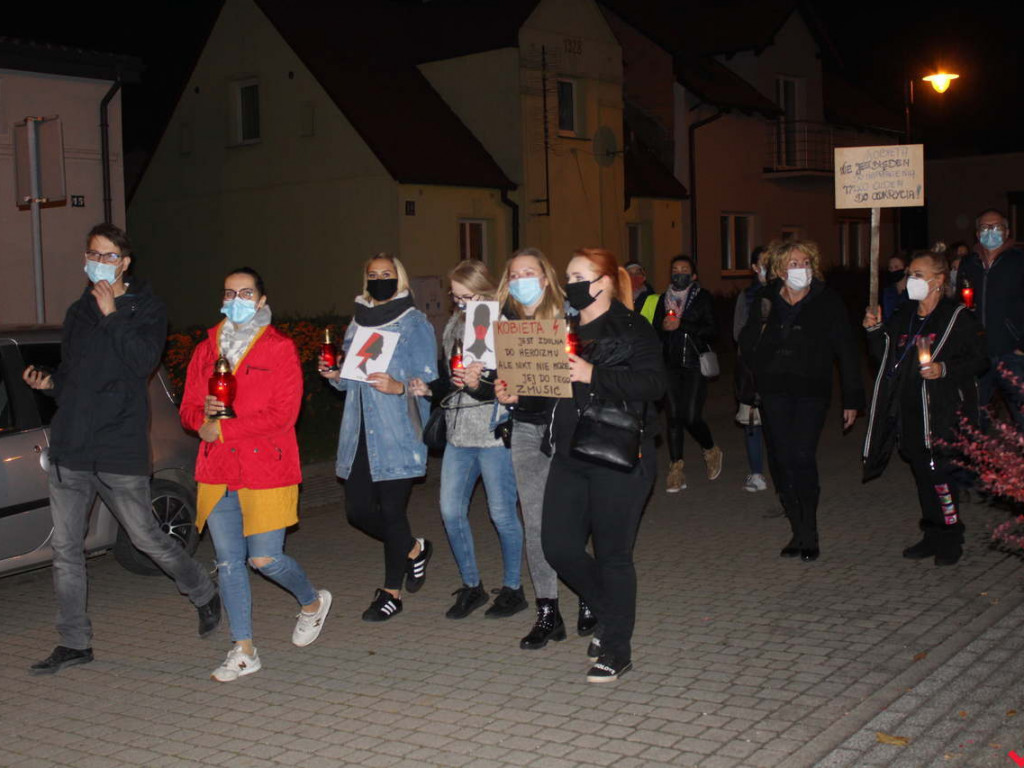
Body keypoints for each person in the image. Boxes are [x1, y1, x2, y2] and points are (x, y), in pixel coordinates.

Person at [22, 223, 220, 676]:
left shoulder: (147, 308)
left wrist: (113, 314)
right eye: (94, 254)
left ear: (125, 262)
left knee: (147, 536)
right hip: (72, 446)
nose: (100, 263)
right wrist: (50, 383)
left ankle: (202, 591)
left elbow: (141, 363)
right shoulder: (78, 312)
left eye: (109, 256)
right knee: (67, 550)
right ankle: (74, 642)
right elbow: (74, 376)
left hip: (118, 445)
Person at [181, 267, 332, 682]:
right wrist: (201, 422)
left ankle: (312, 602)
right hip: (218, 468)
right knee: (229, 562)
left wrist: (224, 426)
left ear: (262, 301)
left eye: (246, 293)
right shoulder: (205, 349)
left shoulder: (279, 349)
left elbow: (283, 414)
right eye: (230, 293)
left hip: (267, 466)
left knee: (265, 558)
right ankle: (244, 648)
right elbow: (189, 407)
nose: (237, 300)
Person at [541, 248, 666, 682]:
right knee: (558, 546)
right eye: (567, 274)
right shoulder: (561, 327)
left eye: (579, 274)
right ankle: (612, 614)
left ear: (606, 281)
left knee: (613, 556)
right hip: (570, 453)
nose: (569, 282)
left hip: (617, 453)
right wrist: (513, 392)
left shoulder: (632, 327)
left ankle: (617, 649)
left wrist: (593, 374)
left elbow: (654, 382)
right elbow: (548, 384)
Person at [319, 254, 437, 621]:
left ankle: (391, 593)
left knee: (391, 511)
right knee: (357, 512)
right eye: (373, 275)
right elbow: (353, 378)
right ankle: (414, 550)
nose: (380, 279)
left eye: (387, 274)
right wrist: (335, 376)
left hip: (397, 432)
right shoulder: (358, 322)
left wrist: (399, 386)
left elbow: (429, 383)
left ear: (399, 279)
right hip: (359, 434)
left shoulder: (415, 323)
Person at [408, 260, 526, 620]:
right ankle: (471, 585)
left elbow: (510, 387)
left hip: (493, 433)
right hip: (459, 432)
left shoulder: (506, 325)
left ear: (486, 291)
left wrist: (480, 381)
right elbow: (453, 378)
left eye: (467, 297)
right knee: (450, 511)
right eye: (456, 298)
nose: (460, 304)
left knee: (502, 514)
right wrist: (431, 388)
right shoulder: (456, 326)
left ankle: (513, 588)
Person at [494, 248, 596, 649]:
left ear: (546, 277)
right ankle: (548, 611)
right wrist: (502, 390)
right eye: (514, 273)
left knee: (572, 519)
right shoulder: (505, 322)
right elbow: (500, 380)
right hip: (525, 430)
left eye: (529, 272)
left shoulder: (572, 315)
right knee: (534, 523)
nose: (521, 279)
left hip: (567, 429)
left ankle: (589, 596)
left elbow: (588, 377)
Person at [739, 239, 864, 562]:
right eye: (793, 263)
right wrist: (760, 328)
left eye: (806, 262)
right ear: (780, 270)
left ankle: (810, 532)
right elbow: (748, 348)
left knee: (801, 456)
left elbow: (846, 350)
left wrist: (852, 397)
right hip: (774, 390)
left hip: (811, 390)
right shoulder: (766, 299)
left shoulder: (827, 300)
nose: (801, 269)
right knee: (780, 459)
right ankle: (796, 527)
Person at [862, 253, 987, 566]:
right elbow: (885, 357)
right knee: (922, 476)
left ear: (939, 279)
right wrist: (874, 331)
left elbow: (980, 360)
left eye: (918, 273)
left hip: (943, 412)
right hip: (910, 410)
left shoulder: (957, 317)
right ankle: (931, 534)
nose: (912, 279)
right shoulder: (904, 314)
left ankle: (950, 536)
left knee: (941, 477)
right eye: (909, 273)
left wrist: (943, 369)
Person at [651, 254, 723, 493]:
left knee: (691, 416)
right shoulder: (662, 300)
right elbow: (653, 334)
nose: (678, 273)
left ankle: (711, 449)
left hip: (694, 364)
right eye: (674, 269)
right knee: (673, 417)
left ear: (693, 276)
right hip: (669, 365)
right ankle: (676, 469)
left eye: (684, 269)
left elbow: (712, 331)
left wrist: (683, 325)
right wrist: (662, 328)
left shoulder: (702, 299)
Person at [956, 209, 1024, 429]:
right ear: (977, 233)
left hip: (1012, 352)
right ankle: (978, 462)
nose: (990, 232)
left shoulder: (1019, 261)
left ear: (1007, 231)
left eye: (996, 227)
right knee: (975, 415)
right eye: (985, 227)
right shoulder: (969, 263)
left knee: (1021, 412)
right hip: (978, 353)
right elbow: (959, 303)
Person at [732, 246, 769, 492]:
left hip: (782, 368)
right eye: (763, 262)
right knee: (753, 420)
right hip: (752, 367)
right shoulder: (746, 297)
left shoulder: (789, 293)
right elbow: (738, 331)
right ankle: (756, 472)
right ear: (755, 267)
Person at [881, 254, 909, 321]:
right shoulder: (887, 292)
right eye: (890, 268)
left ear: (906, 269)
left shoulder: (913, 292)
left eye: (896, 267)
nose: (893, 270)